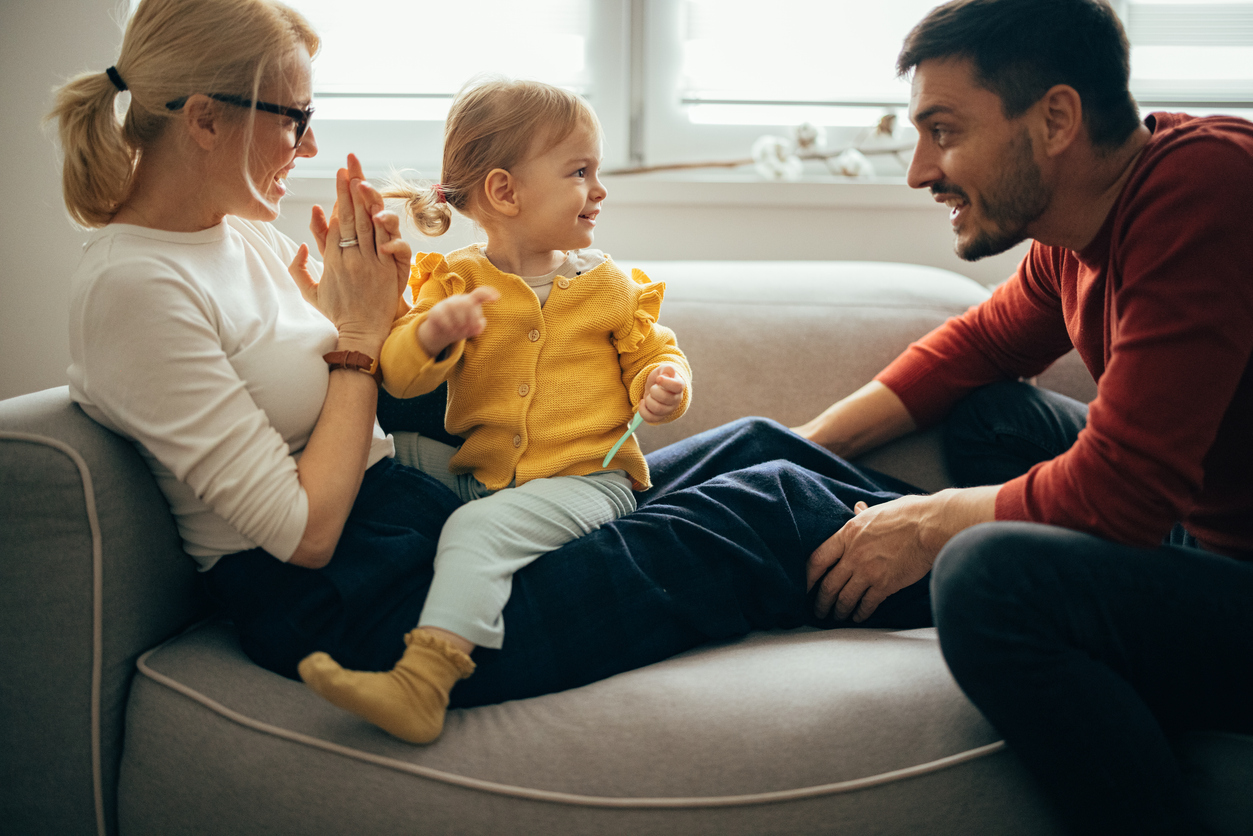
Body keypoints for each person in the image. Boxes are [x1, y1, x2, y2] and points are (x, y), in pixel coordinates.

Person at [50, 0, 931, 743]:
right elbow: (302, 531)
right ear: (204, 118)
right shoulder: (134, 288)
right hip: (355, 600)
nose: (307, 148)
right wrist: (360, 335)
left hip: (419, 524)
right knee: (764, 502)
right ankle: (997, 570)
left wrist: (390, 304)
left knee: (752, 444)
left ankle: (970, 516)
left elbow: (361, 364)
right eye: (292, 119)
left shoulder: (234, 232)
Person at [793, 1, 1253, 833]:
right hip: (1206, 538)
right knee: (993, 419)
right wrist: (797, 447)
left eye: (945, 131)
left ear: (1054, 118)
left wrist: (926, 525)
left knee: (986, 575)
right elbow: (968, 352)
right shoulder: (1078, 230)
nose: (918, 170)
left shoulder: (1206, 189)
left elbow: (1123, 497)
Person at [295, 79, 692, 744]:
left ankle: (422, 683)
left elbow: (653, 353)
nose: (599, 189)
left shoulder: (606, 283)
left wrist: (664, 382)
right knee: (385, 457)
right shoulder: (454, 281)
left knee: (476, 531)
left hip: (586, 481)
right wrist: (429, 334)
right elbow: (395, 372)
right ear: (506, 192)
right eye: (579, 172)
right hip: (484, 471)